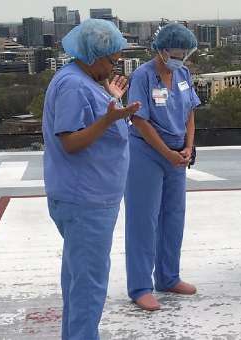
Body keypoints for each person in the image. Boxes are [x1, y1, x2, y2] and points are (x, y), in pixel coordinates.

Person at [42, 19, 141, 340]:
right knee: (89, 282)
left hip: (88, 196)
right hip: (85, 200)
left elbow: (92, 121)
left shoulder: (83, 80)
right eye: (111, 60)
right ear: (92, 55)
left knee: (79, 278)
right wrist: (109, 118)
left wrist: (108, 100)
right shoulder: (73, 85)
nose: (114, 66)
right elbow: (70, 142)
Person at [124, 23, 201, 311]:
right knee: (143, 220)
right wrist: (167, 153)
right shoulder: (142, 76)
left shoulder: (182, 73)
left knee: (174, 217)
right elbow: (140, 120)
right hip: (147, 153)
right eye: (179, 52)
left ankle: (169, 276)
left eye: (186, 53)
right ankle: (140, 287)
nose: (182, 58)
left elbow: (190, 112)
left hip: (178, 154)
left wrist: (188, 147)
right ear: (163, 49)